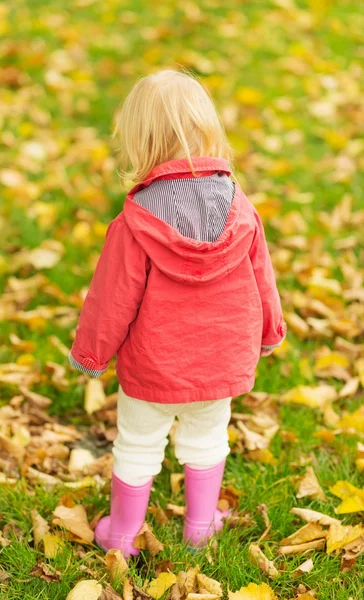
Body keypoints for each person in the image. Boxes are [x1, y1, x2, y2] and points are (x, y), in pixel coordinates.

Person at [69, 69, 286, 557]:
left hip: (154, 365)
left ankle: (122, 535)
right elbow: (262, 278)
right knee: (208, 438)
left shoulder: (135, 221)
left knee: (138, 444)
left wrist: (91, 354)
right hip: (218, 363)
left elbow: (110, 300)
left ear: (139, 143)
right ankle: (200, 526)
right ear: (209, 131)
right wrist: (270, 332)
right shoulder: (241, 208)